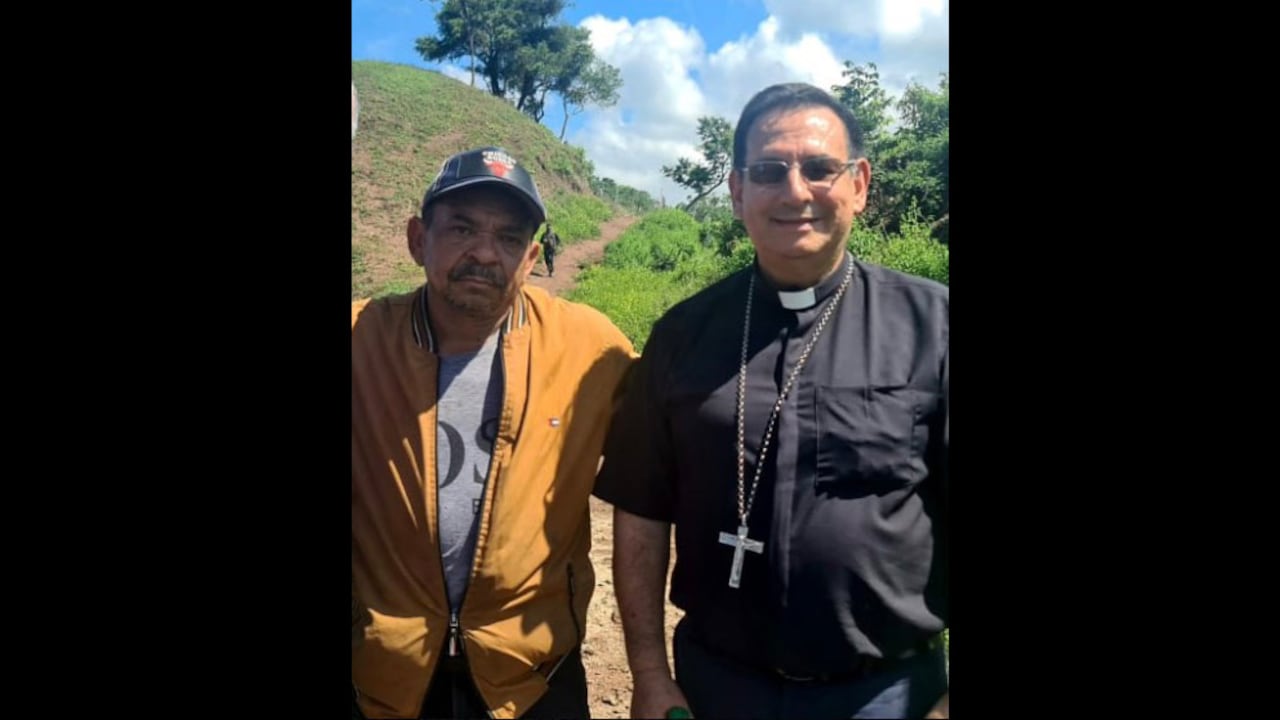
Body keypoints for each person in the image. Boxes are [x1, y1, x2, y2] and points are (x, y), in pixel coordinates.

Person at [594, 82, 949, 719]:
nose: (794, 192)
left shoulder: (935, 326)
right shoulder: (682, 334)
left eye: (819, 169)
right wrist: (647, 672)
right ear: (736, 193)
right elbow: (642, 510)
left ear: (860, 184)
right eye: (768, 172)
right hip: (716, 686)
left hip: (888, 694)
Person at [352, 146, 636, 719]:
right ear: (417, 239)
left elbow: (678, 439)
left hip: (533, 676)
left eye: (509, 238)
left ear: (531, 258)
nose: (484, 253)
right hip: (384, 674)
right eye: (461, 228)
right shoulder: (360, 340)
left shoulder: (591, 349)